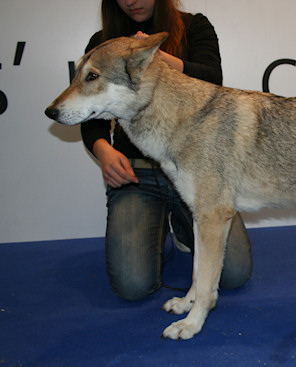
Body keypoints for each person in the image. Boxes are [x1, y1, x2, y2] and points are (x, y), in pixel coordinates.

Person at [80, 0, 252, 301]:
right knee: (133, 286)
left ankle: (187, 231)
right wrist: (103, 151)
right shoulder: (102, 45)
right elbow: (87, 112)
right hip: (137, 175)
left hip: (198, 167)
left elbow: (212, 78)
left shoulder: (195, 26)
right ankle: (160, 228)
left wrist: (151, 57)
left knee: (235, 274)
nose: (131, 0)